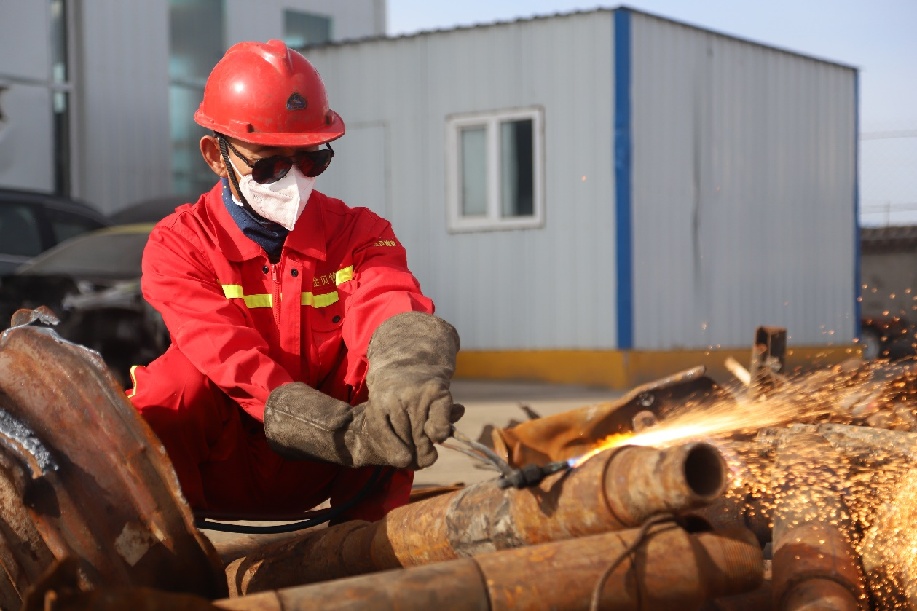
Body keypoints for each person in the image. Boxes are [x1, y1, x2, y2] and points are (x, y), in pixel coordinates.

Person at [127, 39, 463, 523]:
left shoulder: (360, 232)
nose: (292, 181)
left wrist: (409, 375)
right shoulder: (180, 244)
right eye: (268, 164)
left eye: (310, 160)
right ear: (216, 156)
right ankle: (166, 546)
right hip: (230, 462)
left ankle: (372, 542)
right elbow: (227, 355)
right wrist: (335, 430)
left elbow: (389, 300)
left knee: (390, 388)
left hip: (332, 464)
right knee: (170, 388)